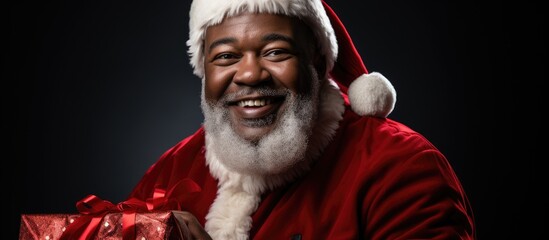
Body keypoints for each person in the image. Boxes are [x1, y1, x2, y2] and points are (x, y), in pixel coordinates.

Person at [127, 0, 476, 239]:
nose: (249, 74)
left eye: (275, 51)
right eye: (226, 56)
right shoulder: (172, 171)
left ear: (318, 62)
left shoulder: (402, 170)